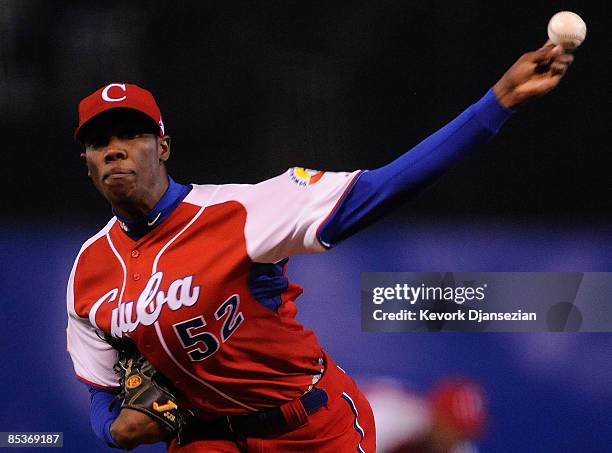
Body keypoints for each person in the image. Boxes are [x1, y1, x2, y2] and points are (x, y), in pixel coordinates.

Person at [66, 41, 573, 452]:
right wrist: (110, 430)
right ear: (87, 160)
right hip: (209, 437)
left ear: (163, 146)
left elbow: (381, 188)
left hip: (308, 428)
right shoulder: (88, 273)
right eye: (98, 140)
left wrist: (496, 104)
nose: (114, 148)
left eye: (131, 134)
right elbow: (100, 392)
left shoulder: (242, 212)